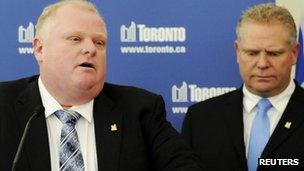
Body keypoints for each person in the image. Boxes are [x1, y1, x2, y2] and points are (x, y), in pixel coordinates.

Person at [0, 0, 202, 170]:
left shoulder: (140, 110)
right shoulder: (3, 104)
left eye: (99, 43)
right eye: (76, 39)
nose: (90, 49)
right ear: (40, 48)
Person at [182, 3, 304, 171]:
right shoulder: (200, 119)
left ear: (294, 53)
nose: (262, 64)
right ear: (237, 52)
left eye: (273, 53)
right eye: (252, 53)